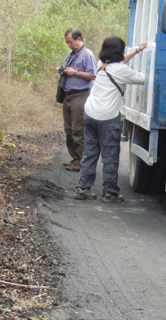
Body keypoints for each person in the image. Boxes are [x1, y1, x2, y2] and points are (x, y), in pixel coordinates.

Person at [73, 37, 147, 202]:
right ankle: (110, 192)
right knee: (110, 155)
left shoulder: (101, 65)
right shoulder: (122, 71)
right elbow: (144, 78)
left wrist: (135, 51)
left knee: (90, 153)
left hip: (90, 112)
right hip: (108, 116)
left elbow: (120, 62)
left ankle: (83, 187)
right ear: (119, 52)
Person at [60, 28, 98, 172]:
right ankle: (75, 158)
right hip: (68, 96)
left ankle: (83, 162)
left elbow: (93, 75)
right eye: (67, 43)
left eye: (70, 42)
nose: (69, 45)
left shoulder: (87, 55)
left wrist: (75, 73)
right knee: (69, 130)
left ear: (79, 39)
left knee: (78, 130)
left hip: (80, 95)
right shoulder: (71, 54)